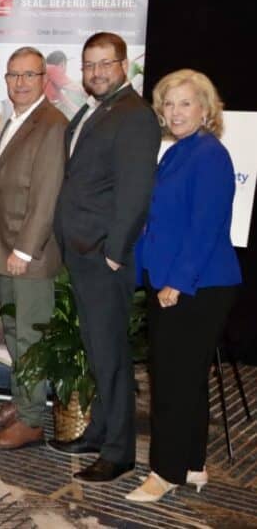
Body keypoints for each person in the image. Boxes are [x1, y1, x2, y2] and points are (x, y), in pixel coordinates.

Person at [125, 70, 242, 502]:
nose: (175, 112)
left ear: (206, 109)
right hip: (181, 282)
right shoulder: (179, 151)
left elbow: (204, 227)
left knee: (172, 383)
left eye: (185, 103)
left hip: (195, 285)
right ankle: (192, 464)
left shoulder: (208, 155)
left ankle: (165, 472)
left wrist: (176, 282)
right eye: (168, 104)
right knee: (188, 379)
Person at [52, 31, 160, 483]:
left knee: (111, 354)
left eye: (105, 63)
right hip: (82, 251)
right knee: (96, 348)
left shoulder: (135, 115)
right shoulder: (92, 110)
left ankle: (119, 452)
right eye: (89, 64)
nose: (96, 72)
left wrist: (115, 252)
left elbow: (136, 192)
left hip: (103, 255)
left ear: (124, 64)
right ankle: (99, 431)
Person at [0, 47, 68, 451]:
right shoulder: (17, 119)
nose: (20, 82)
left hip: (29, 255)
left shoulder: (51, 124)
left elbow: (47, 195)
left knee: (29, 337)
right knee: (15, 333)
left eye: (29, 75)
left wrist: (26, 251)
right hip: (8, 246)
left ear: (44, 79)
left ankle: (32, 421)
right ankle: (21, 403)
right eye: (13, 75)